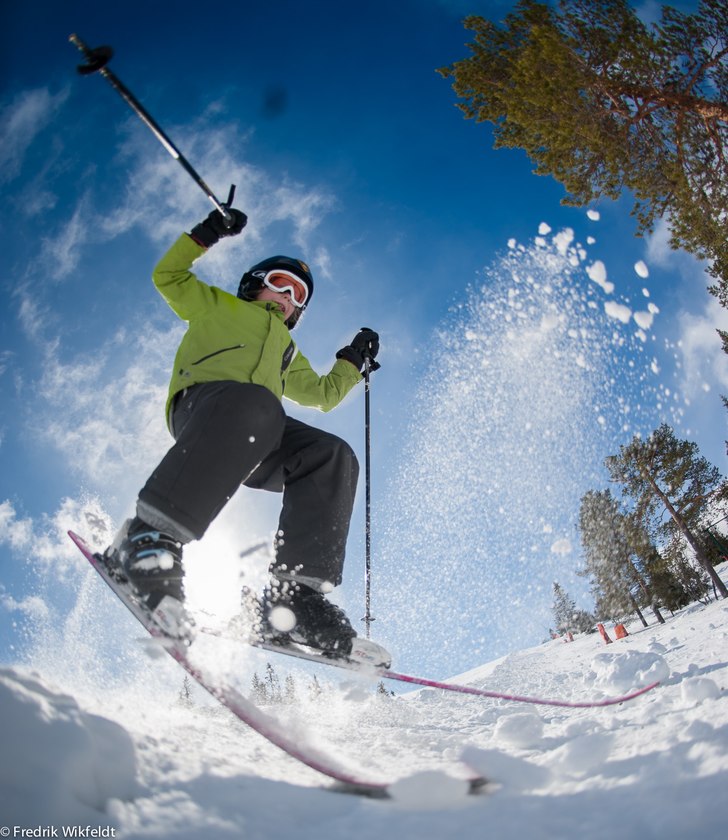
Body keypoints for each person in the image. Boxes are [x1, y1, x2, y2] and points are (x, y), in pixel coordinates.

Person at [104, 205, 387, 664]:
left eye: (298, 295)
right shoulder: (218, 306)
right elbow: (168, 275)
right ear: (255, 284)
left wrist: (353, 362)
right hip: (206, 409)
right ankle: (148, 538)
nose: (288, 296)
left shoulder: (286, 350)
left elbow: (321, 395)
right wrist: (207, 233)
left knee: (330, 454)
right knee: (255, 404)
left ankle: (293, 598)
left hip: (260, 431)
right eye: (280, 283)